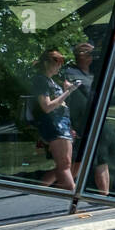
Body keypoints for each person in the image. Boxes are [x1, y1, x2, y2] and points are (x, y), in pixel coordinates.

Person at [30, 49, 78, 192]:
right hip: (55, 126)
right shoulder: (41, 80)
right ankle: (75, 196)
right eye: (56, 63)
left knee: (65, 165)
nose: (59, 66)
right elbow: (47, 106)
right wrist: (68, 92)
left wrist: (66, 91)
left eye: (61, 63)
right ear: (46, 63)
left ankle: (37, 192)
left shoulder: (51, 81)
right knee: (64, 165)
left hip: (62, 125)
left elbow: (58, 104)